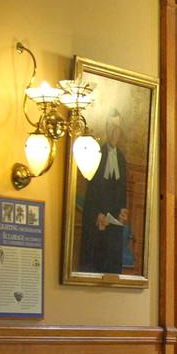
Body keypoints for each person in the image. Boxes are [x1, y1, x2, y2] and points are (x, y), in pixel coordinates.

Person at [78, 110, 130, 274]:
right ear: (106, 128)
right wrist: (97, 215)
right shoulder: (97, 155)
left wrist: (123, 212)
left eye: (117, 128)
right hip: (98, 224)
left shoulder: (121, 159)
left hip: (114, 226)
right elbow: (91, 194)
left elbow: (122, 192)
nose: (114, 132)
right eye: (111, 127)